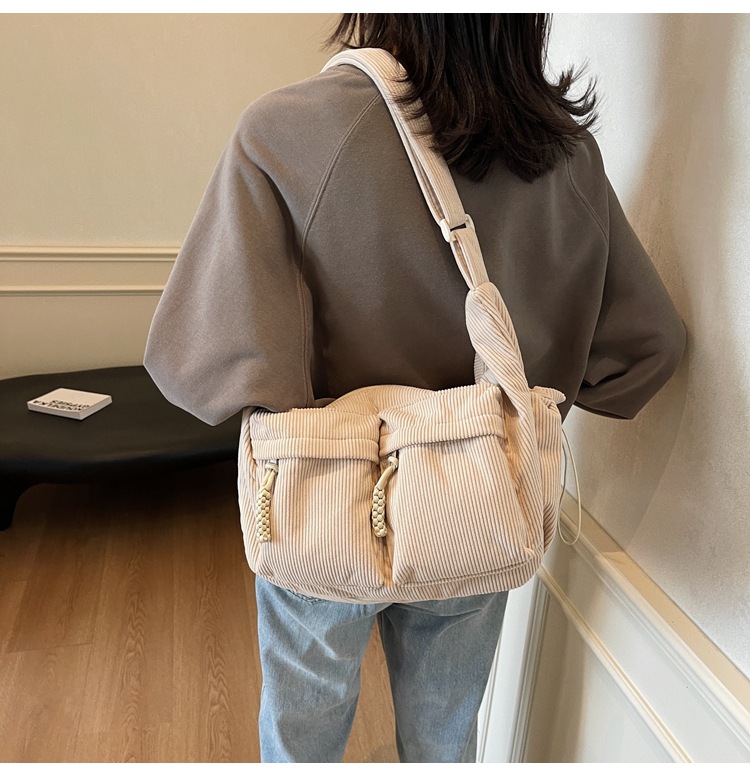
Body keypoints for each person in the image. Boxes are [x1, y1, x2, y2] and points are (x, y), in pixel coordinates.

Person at [143, 14, 687, 763]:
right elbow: (646, 349)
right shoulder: (563, 155)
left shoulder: (284, 132)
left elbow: (193, 360)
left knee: (303, 732)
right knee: (444, 737)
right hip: (480, 501)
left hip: (324, 500)